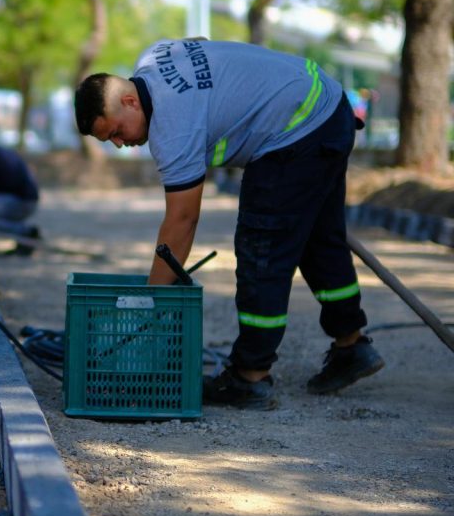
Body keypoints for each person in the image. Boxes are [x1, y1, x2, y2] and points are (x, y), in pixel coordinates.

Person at [74, 38, 385, 410]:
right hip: (328, 105)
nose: (120, 144)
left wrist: (148, 302)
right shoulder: (155, 54)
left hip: (294, 133)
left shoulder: (174, 130)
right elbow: (204, 48)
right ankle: (352, 346)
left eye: (116, 132)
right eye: (109, 139)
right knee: (321, 240)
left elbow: (182, 220)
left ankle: (249, 378)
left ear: (129, 101)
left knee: (262, 251)